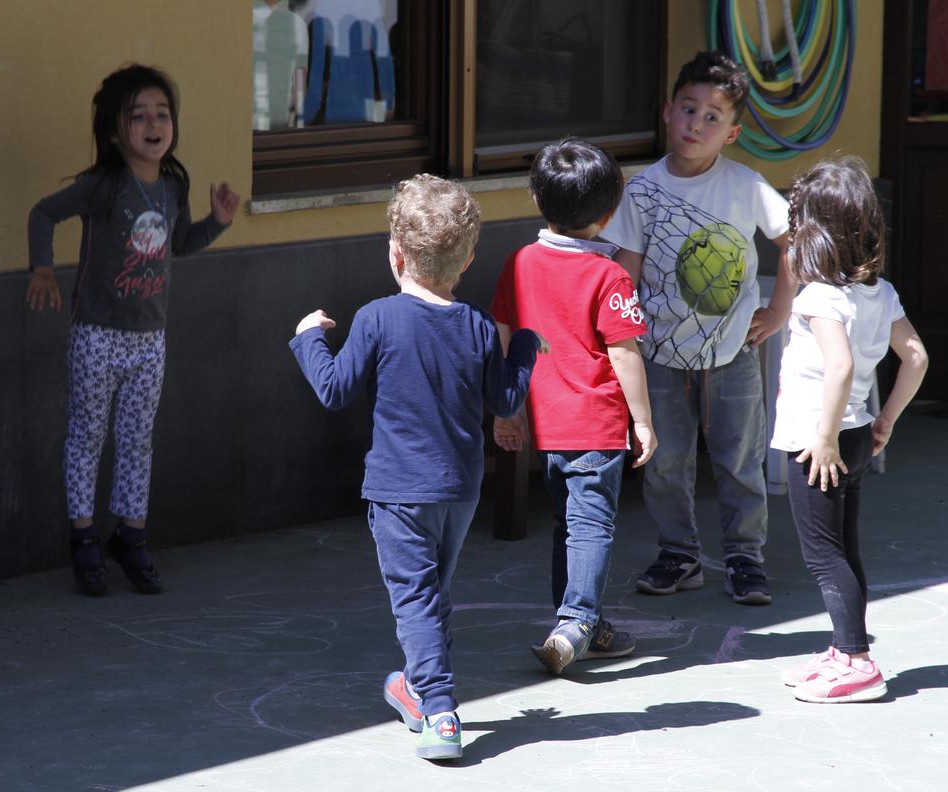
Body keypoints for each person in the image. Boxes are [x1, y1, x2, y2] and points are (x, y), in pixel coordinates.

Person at [290, 175, 544, 761]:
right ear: (469, 258)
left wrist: (308, 339)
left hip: (400, 492)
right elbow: (507, 401)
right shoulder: (479, 325)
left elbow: (333, 389)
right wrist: (525, 346)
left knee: (417, 600)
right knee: (431, 594)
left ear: (395, 254)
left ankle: (441, 711)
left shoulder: (379, 318)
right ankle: (414, 685)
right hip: (460, 491)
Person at [26, 64, 241, 596]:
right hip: (97, 334)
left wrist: (216, 222)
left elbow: (179, 243)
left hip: (151, 339)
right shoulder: (101, 186)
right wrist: (43, 268)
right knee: (87, 435)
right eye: (138, 116)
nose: (153, 125)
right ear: (116, 130)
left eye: (162, 114)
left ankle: (131, 534)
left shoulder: (171, 186)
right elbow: (42, 214)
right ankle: (83, 537)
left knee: (137, 439)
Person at [603, 50, 795, 606]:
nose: (697, 123)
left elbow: (793, 243)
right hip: (658, 352)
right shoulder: (642, 189)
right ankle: (679, 554)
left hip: (733, 352)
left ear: (732, 132)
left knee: (739, 457)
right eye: (689, 108)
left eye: (713, 116)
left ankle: (744, 558)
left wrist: (780, 309)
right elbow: (626, 268)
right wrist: (621, 336)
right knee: (664, 460)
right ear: (668, 111)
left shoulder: (746, 186)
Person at [491, 138, 657, 676]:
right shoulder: (611, 276)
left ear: (538, 200)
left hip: (547, 422)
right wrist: (644, 420)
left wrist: (507, 407)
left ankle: (584, 621)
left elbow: (504, 335)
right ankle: (579, 620)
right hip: (597, 423)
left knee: (568, 523)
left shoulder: (520, 263)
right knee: (590, 526)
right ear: (609, 215)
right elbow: (624, 352)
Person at [771, 157, 928, 703]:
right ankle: (843, 648)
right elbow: (916, 357)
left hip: (821, 444)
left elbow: (838, 366)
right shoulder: (878, 293)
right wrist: (885, 419)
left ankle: (858, 663)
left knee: (822, 555)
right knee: (844, 547)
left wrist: (824, 437)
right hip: (857, 434)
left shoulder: (819, 297)